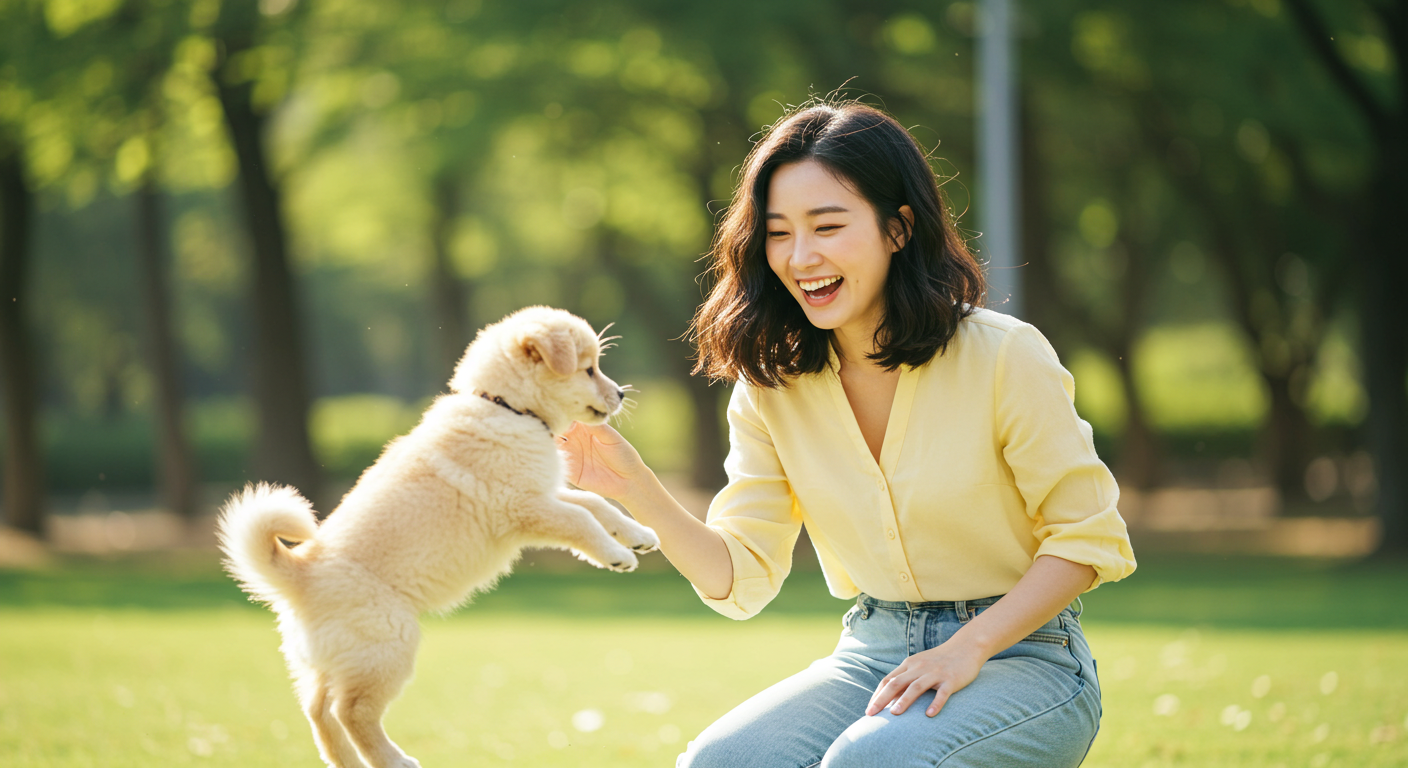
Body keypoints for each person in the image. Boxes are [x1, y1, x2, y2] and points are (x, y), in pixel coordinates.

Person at [556, 100, 1137, 768]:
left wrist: (966, 647)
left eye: (828, 226)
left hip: (1027, 658)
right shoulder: (773, 385)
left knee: (874, 761)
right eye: (778, 233)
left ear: (898, 228)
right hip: (874, 651)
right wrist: (634, 488)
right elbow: (741, 577)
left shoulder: (1006, 355)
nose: (801, 257)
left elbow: (1087, 539)